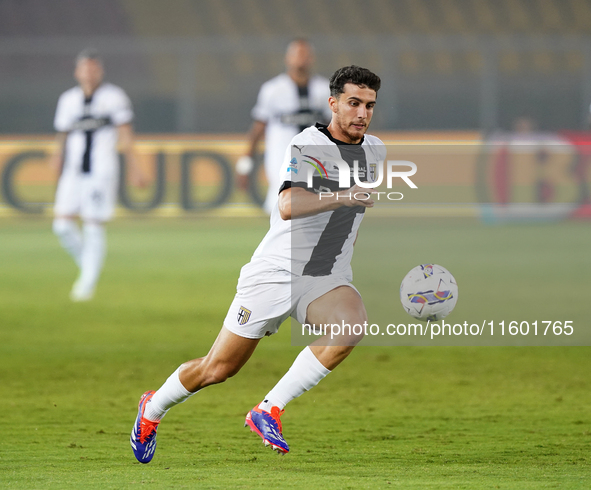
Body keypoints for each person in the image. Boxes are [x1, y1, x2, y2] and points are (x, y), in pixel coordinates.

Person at [131, 65, 384, 463]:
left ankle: (269, 409)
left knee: (350, 326)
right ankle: (153, 408)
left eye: (369, 105)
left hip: (324, 276)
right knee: (217, 369)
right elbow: (286, 205)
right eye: (353, 103)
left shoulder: (375, 150)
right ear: (333, 103)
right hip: (275, 273)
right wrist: (344, 195)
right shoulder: (306, 145)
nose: (362, 114)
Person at [50, 49, 145, 301]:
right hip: (74, 171)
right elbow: (63, 133)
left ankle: (86, 284)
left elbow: (125, 134)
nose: (89, 73)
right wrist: (57, 157)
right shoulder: (68, 100)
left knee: (92, 223)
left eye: (93, 68)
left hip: (101, 171)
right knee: (61, 225)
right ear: (77, 72)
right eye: (84, 68)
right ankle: (88, 267)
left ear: (100, 71)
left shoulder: (114, 97)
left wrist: (135, 167)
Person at [236, 39, 331, 214]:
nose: (301, 59)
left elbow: (335, 126)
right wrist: (245, 164)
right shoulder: (272, 90)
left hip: (316, 157)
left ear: (312, 58)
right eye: (297, 54)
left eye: (305, 54)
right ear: (288, 58)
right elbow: (258, 127)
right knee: (280, 203)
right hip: (281, 157)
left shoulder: (324, 89)